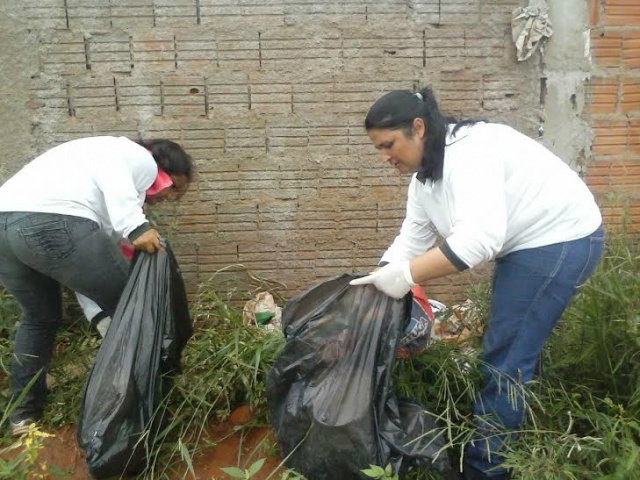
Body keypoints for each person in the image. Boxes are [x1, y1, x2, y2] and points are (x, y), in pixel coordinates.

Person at [350, 87, 603, 480]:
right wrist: (380, 276)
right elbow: (412, 239)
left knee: (503, 361)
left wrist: (405, 276)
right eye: (378, 149)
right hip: (527, 244)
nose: (384, 157)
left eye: (388, 145)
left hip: (561, 239)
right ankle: (529, 432)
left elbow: (478, 242)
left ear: (418, 128)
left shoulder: (469, 155)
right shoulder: (425, 179)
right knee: (515, 346)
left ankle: (487, 470)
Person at [0, 136, 192, 436]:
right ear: (162, 168)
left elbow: (81, 265)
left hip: (4, 227)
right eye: (174, 187)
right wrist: (136, 225)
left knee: (39, 319)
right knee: (135, 309)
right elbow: (110, 169)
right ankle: (135, 410)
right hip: (49, 221)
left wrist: (101, 317)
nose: (169, 197)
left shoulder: (83, 188)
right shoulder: (132, 155)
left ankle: (22, 415)